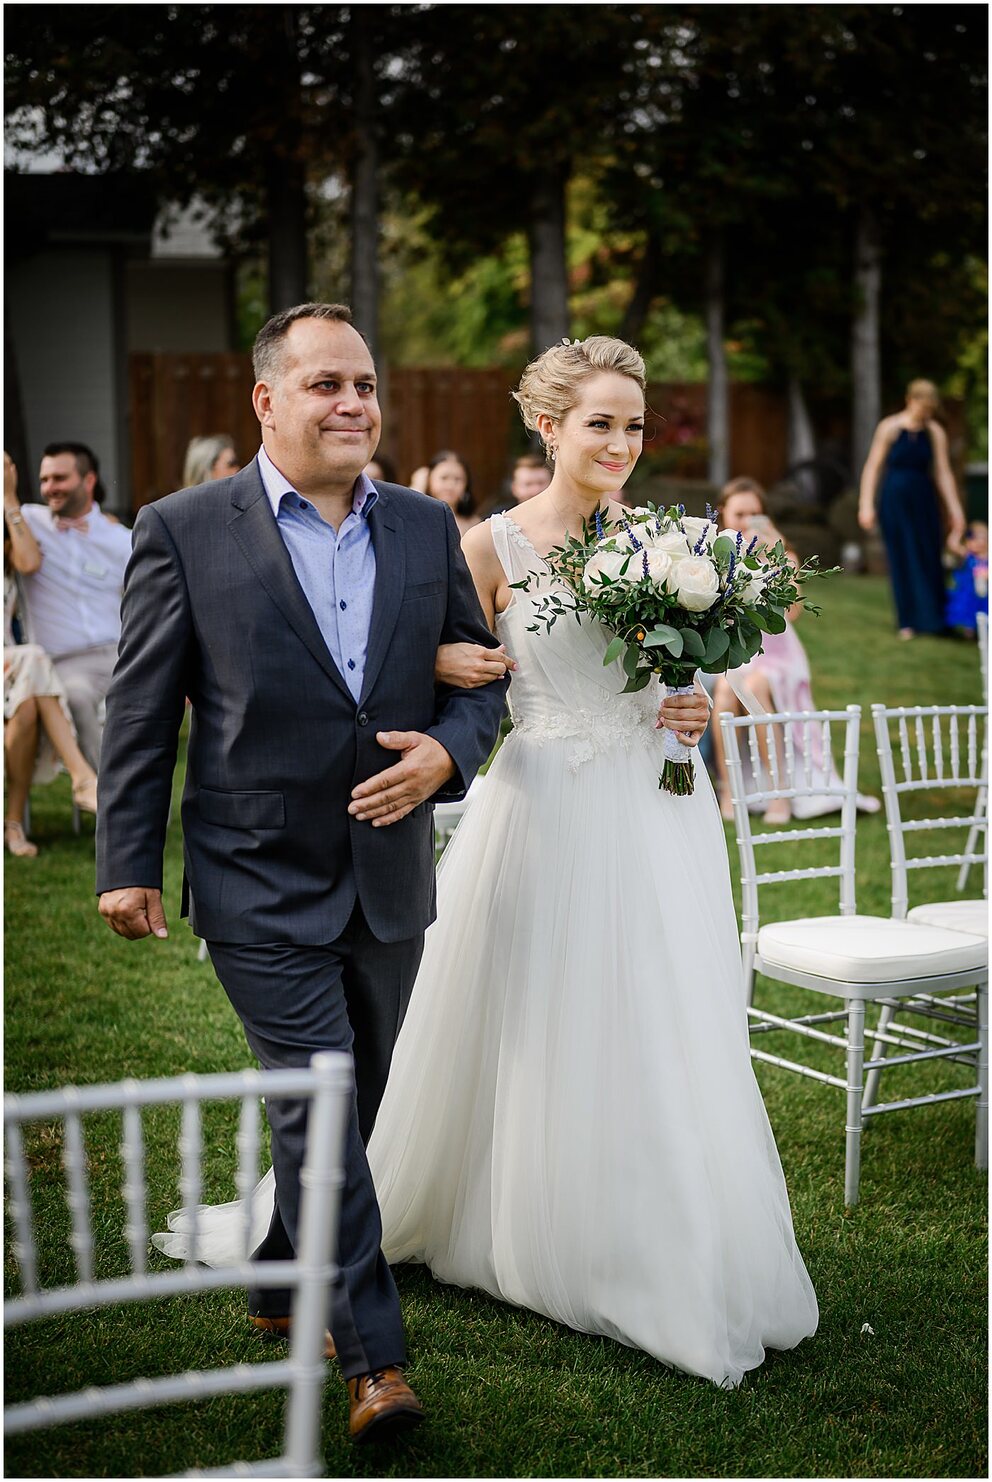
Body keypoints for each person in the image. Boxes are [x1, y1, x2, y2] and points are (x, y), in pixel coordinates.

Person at [159, 336, 819, 1389]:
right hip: (547, 806)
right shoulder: (484, 544)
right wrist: (437, 658)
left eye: (634, 425)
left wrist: (691, 700)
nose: (618, 442)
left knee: (663, 1017)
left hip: (658, 810)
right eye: (598, 421)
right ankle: (518, 1221)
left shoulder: (671, 547)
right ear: (547, 425)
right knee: (541, 1015)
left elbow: (672, 677)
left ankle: (651, 1230)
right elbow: (389, 665)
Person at [95, 302, 509, 1444]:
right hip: (253, 873)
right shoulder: (183, 527)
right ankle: (376, 1362)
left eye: (365, 385)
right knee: (318, 1108)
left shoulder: (426, 526)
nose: (353, 405)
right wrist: (127, 858)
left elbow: (480, 682)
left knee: (356, 1103)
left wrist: (445, 750)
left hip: (388, 876)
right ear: (266, 400)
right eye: (327, 384)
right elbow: (140, 707)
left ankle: (283, 1272)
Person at [709, 477, 878, 823]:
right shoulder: (714, 555)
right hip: (740, 657)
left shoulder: (781, 555)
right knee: (727, 690)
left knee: (754, 687)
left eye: (755, 513)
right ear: (724, 514)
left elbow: (792, 612)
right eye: (740, 513)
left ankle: (780, 793)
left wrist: (777, 558)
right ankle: (729, 789)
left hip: (778, 657)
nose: (746, 521)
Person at [13, 442, 133, 770]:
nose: (50, 488)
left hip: (119, 654)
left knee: (147, 705)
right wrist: (9, 497)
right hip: (65, 662)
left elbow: (147, 605)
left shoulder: (122, 539)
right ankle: (103, 801)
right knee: (77, 697)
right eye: (45, 479)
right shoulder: (27, 523)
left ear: (88, 480)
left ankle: (151, 810)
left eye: (60, 478)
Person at [4, 454, 98, 856]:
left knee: (27, 702)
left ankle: (13, 824)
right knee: (35, 660)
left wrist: (9, 499)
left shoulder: (15, 525)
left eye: (9, 466)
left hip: (13, 671)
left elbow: (29, 561)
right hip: (17, 662)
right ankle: (81, 777)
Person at [858, 379, 967, 639]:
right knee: (901, 557)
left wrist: (956, 511)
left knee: (929, 555)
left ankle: (935, 619)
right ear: (911, 400)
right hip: (895, 500)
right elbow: (873, 467)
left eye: (930, 410)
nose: (925, 414)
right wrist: (866, 504)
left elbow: (943, 473)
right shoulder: (890, 427)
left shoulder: (934, 432)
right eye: (922, 408)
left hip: (923, 500)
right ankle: (907, 620)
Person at [945, 520, 988, 638]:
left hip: (985, 596)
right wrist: (958, 530)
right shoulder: (968, 555)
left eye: (982, 538)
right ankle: (969, 632)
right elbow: (952, 544)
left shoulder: (987, 557)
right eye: (974, 538)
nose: (979, 542)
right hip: (968, 593)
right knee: (968, 612)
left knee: (984, 612)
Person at [477, 452, 552, 520]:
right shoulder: (499, 518)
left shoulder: (562, 516)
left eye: (541, 483)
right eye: (528, 484)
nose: (536, 490)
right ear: (514, 488)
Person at [422, 449, 479, 537]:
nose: (450, 485)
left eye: (457, 479)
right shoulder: (418, 519)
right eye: (444, 478)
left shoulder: (474, 525)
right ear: (429, 480)